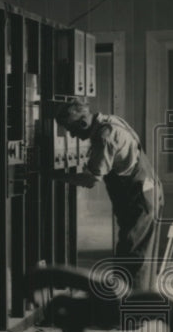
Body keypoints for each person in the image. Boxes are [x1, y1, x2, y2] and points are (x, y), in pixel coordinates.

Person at [55, 100, 164, 292]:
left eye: (72, 130)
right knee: (139, 254)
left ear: (82, 123)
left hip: (139, 197)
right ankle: (134, 309)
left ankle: (130, 314)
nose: (73, 135)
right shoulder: (112, 120)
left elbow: (91, 180)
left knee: (133, 255)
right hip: (147, 191)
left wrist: (57, 176)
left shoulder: (104, 137)